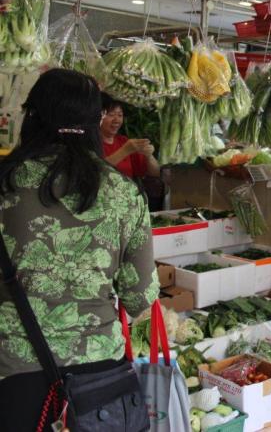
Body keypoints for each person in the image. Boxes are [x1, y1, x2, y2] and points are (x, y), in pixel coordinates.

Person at [0, 69, 159, 430]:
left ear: (32, 116)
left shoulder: (6, 183)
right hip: (99, 378)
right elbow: (139, 297)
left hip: (14, 372)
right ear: (94, 121)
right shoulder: (123, 192)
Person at [101, 93, 160, 180]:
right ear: (99, 117)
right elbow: (97, 171)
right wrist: (125, 151)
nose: (116, 120)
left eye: (120, 115)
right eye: (111, 115)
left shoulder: (124, 141)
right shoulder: (92, 142)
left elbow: (156, 173)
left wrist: (149, 156)